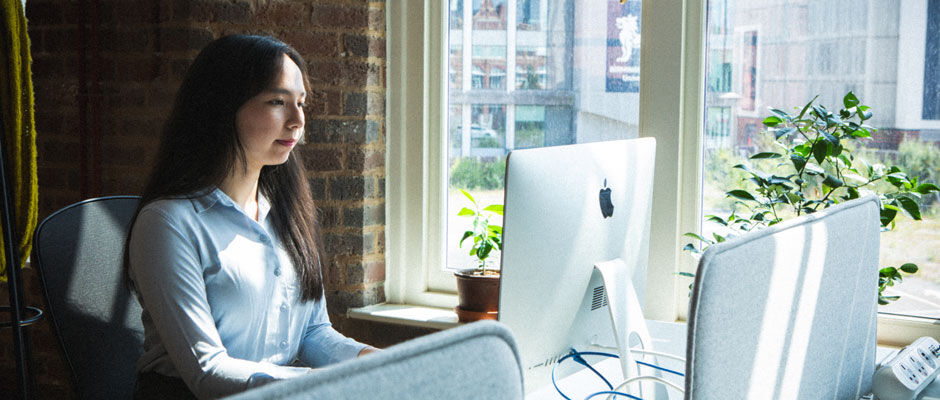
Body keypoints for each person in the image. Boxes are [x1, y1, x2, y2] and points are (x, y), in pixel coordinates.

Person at [125, 34, 376, 400]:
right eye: (277, 102)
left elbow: (312, 333)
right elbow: (208, 371)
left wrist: (378, 363)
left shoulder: (287, 213)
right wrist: (324, 384)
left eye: (301, 103)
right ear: (222, 107)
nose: (297, 120)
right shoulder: (167, 224)